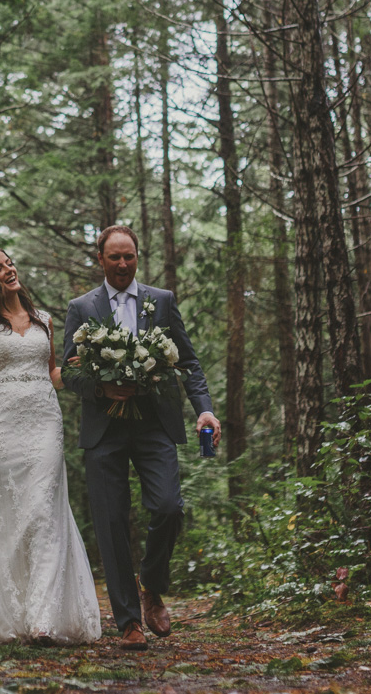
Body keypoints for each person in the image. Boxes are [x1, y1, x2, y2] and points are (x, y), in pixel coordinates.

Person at [61, 225, 221, 651]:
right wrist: (101, 388)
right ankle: (129, 622)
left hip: (153, 423)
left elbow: (188, 361)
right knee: (112, 525)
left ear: (137, 256)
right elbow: (68, 371)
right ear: (101, 260)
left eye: (129, 256)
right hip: (104, 430)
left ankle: (151, 583)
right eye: (114, 257)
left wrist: (204, 407)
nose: (122, 264)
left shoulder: (162, 301)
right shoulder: (81, 307)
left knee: (168, 506)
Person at [0, 248, 102, 645]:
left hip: (45, 423)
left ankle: (42, 620)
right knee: (9, 517)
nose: (9, 270)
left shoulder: (44, 321)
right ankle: (7, 610)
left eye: (10, 263)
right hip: (0, 425)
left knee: (43, 512)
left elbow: (52, 373)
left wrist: (82, 369)